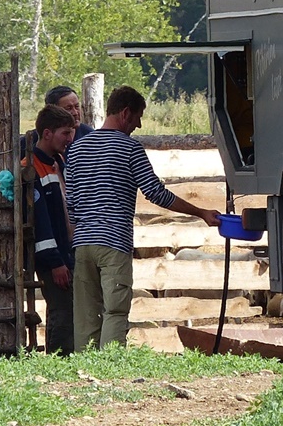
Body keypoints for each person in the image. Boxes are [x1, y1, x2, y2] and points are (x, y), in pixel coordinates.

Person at [65, 85, 219, 351]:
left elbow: (71, 204)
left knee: (85, 315)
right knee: (115, 310)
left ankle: (83, 369)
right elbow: (156, 193)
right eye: (137, 117)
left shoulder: (77, 149)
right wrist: (201, 212)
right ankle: (109, 365)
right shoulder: (130, 149)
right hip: (114, 242)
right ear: (125, 113)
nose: (138, 124)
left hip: (83, 242)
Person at [29, 104, 78, 355]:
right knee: (61, 308)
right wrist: (54, 261)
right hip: (53, 255)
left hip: (67, 249)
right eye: (65, 133)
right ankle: (60, 359)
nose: (70, 139)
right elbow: (42, 219)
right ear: (47, 133)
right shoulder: (32, 167)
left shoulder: (58, 161)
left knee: (69, 306)